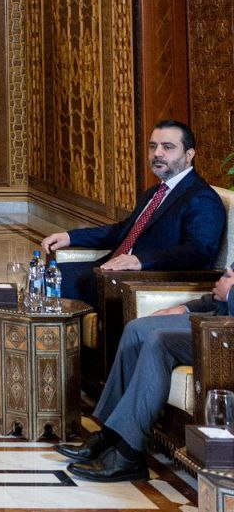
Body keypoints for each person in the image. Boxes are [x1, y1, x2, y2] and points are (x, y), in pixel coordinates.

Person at [56, 265, 234, 482]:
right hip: (218, 316)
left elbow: (227, 286)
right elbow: (220, 292)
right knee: (136, 329)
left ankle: (129, 454)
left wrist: (230, 293)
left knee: (159, 341)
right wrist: (184, 307)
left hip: (225, 332)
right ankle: (109, 434)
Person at [40, 120, 226, 303]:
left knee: (49, 284)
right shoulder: (155, 192)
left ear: (189, 154)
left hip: (143, 280)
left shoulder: (202, 198)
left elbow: (198, 252)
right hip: (111, 270)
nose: (157, 153)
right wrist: (70, 237)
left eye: (167, 147)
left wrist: (140, 260)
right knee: (44, 276)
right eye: (153, 146)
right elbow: (124, 230)